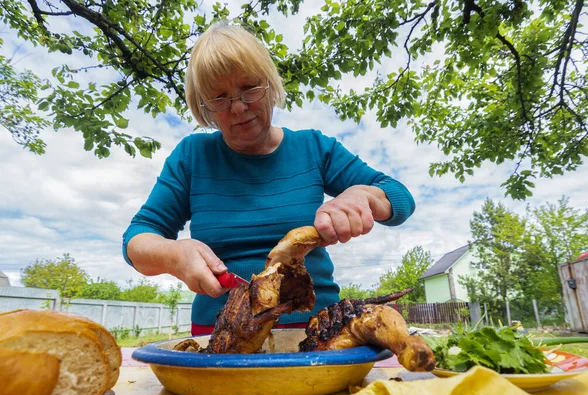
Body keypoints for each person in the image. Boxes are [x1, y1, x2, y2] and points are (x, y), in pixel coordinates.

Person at [122, 22, 416, 336]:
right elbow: (136, 239)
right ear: (203, 107)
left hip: (318, 331)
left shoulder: (314, 148)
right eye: (219, 98)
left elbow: (399, 197)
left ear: (270, 84)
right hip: (220, 335)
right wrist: (173, 255)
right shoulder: (193, 155)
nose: (238, 107)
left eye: (249, 88)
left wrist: (365, 196)